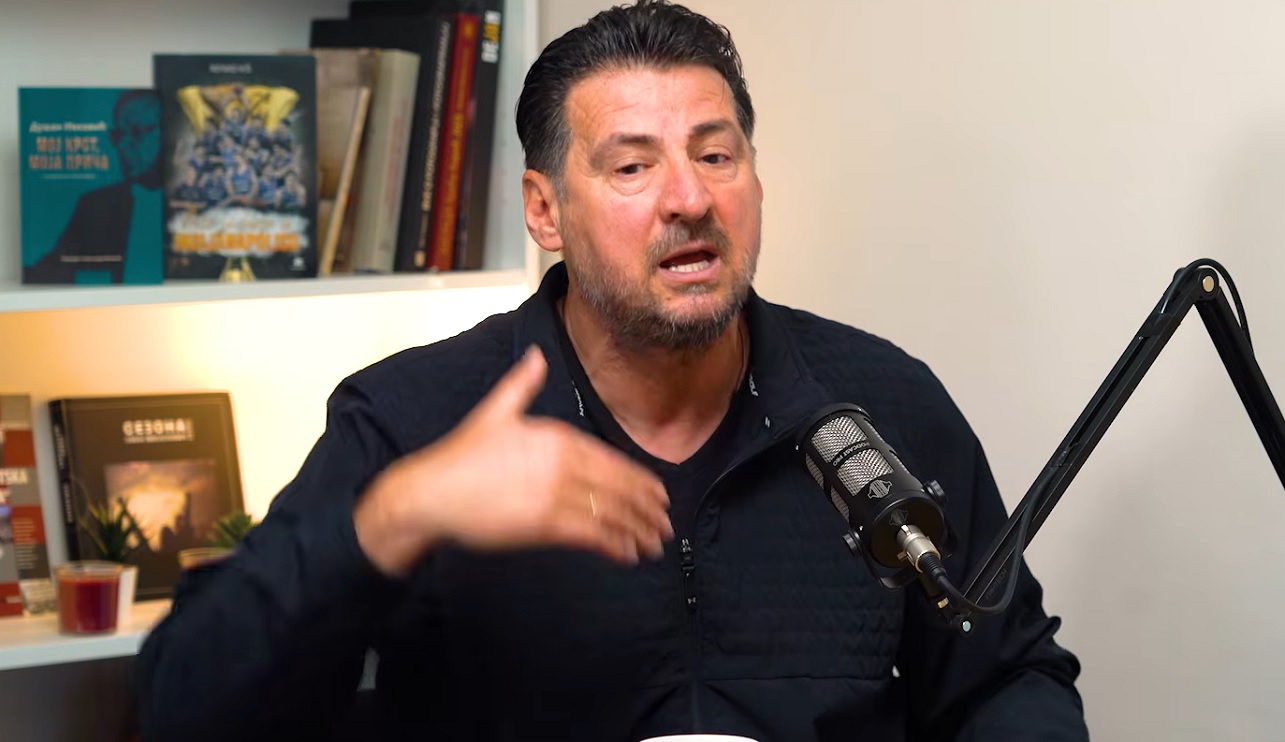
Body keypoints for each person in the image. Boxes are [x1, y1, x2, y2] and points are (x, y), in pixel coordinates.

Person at [135, 2, 1088, 740]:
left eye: (715, 155)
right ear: (544, 211)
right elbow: (185, 707)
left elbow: (1005, 675)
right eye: (631, 168)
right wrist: (392, 519)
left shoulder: (883, 404)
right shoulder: (411, 420)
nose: (689, 197)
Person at [24, 89, 162, 284]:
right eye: (118, 135)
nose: (122, 146)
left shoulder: (194, 200)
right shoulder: (96, 206)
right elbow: (48, 272)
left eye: (137, 131)